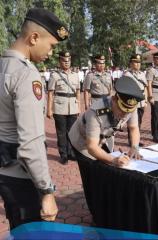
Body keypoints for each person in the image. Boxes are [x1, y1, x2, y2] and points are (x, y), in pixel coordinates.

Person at [0, 8, 68, 229]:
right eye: (51, 45)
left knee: (16, 226)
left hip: (3, 168)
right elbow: (30, 144)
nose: (50, 53)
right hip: (20, 175)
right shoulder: (26, 74)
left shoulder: (3, 66)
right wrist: (47, 191)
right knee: (30, 231)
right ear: (34, 37)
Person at [69, 75, 144, 165]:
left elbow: (133, 128)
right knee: (91, 167)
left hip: (104, 136)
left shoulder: (129, 107)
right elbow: (92, 147)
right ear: (113, 100)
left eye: (128, 112)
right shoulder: (95, 112)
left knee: (109, 164)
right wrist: (113, 160)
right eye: (121, 110)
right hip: (82, 140)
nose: (125, 114)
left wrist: (134, 147)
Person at [47, 51, 80, 165]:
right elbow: (50, 93)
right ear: (60, 61)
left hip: (73, 106)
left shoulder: (75, 75)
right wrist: (49, 109)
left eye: (68, 60)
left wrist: (78, 107)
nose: (67, 63)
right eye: (64, 61)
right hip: (59, 106)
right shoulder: (54, 75)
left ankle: (71, 153)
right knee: (61, 132)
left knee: (71, 132)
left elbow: (78, 91)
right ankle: (63, 154)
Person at [123, 54, 147, 146]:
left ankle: (136, 140)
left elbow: (145, 88)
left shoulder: (142, 74)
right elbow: (124, 89)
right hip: (132, 100)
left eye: (139, 62)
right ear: (131, 63)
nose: (137, 64)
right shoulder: (127, 74)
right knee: (132, 122)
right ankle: (131, 141)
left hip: (141, 101)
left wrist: (145, 101)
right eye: (135, 62)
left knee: (139, 121)